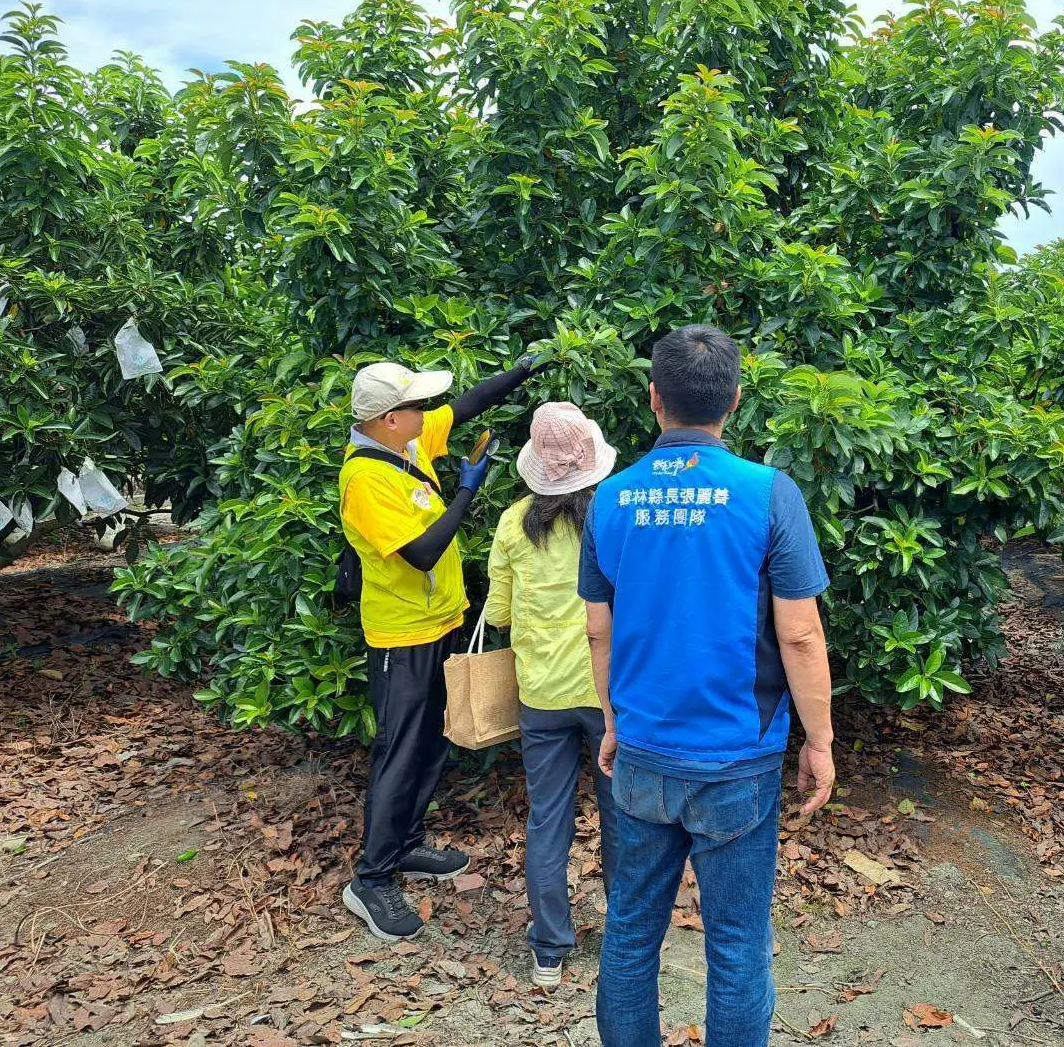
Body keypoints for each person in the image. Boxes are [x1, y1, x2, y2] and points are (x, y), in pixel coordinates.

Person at [579, 324, 836, 1047]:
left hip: (643, 753)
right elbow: (799, 634)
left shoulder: (610, 499)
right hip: (736, 760)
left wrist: (613, 721)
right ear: (736, 400)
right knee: (736, 945)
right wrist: (818, 741)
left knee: (630, 932)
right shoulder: (767, 494)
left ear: (653, 398)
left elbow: (598, 631)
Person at [338, 354, 542, 942]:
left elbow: (468, 403)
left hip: (438, 623)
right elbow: (421, 551)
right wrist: (465, 491)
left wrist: (522, 369)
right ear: (387, 418)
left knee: (430, 743)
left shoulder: (405, 442)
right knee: (399, 752)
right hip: (401, 637)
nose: (428, 413)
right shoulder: (367, 480)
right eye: (415, 406)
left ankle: (406, 846)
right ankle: (372, 879)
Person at [484, 401, 621, 989]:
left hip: (540, 693)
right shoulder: (612, 515)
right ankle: (626, 935)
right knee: (622, 815)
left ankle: (548, 949)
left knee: (548, 820)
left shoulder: (513, 522)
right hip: (608, 692)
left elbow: (498, 610)